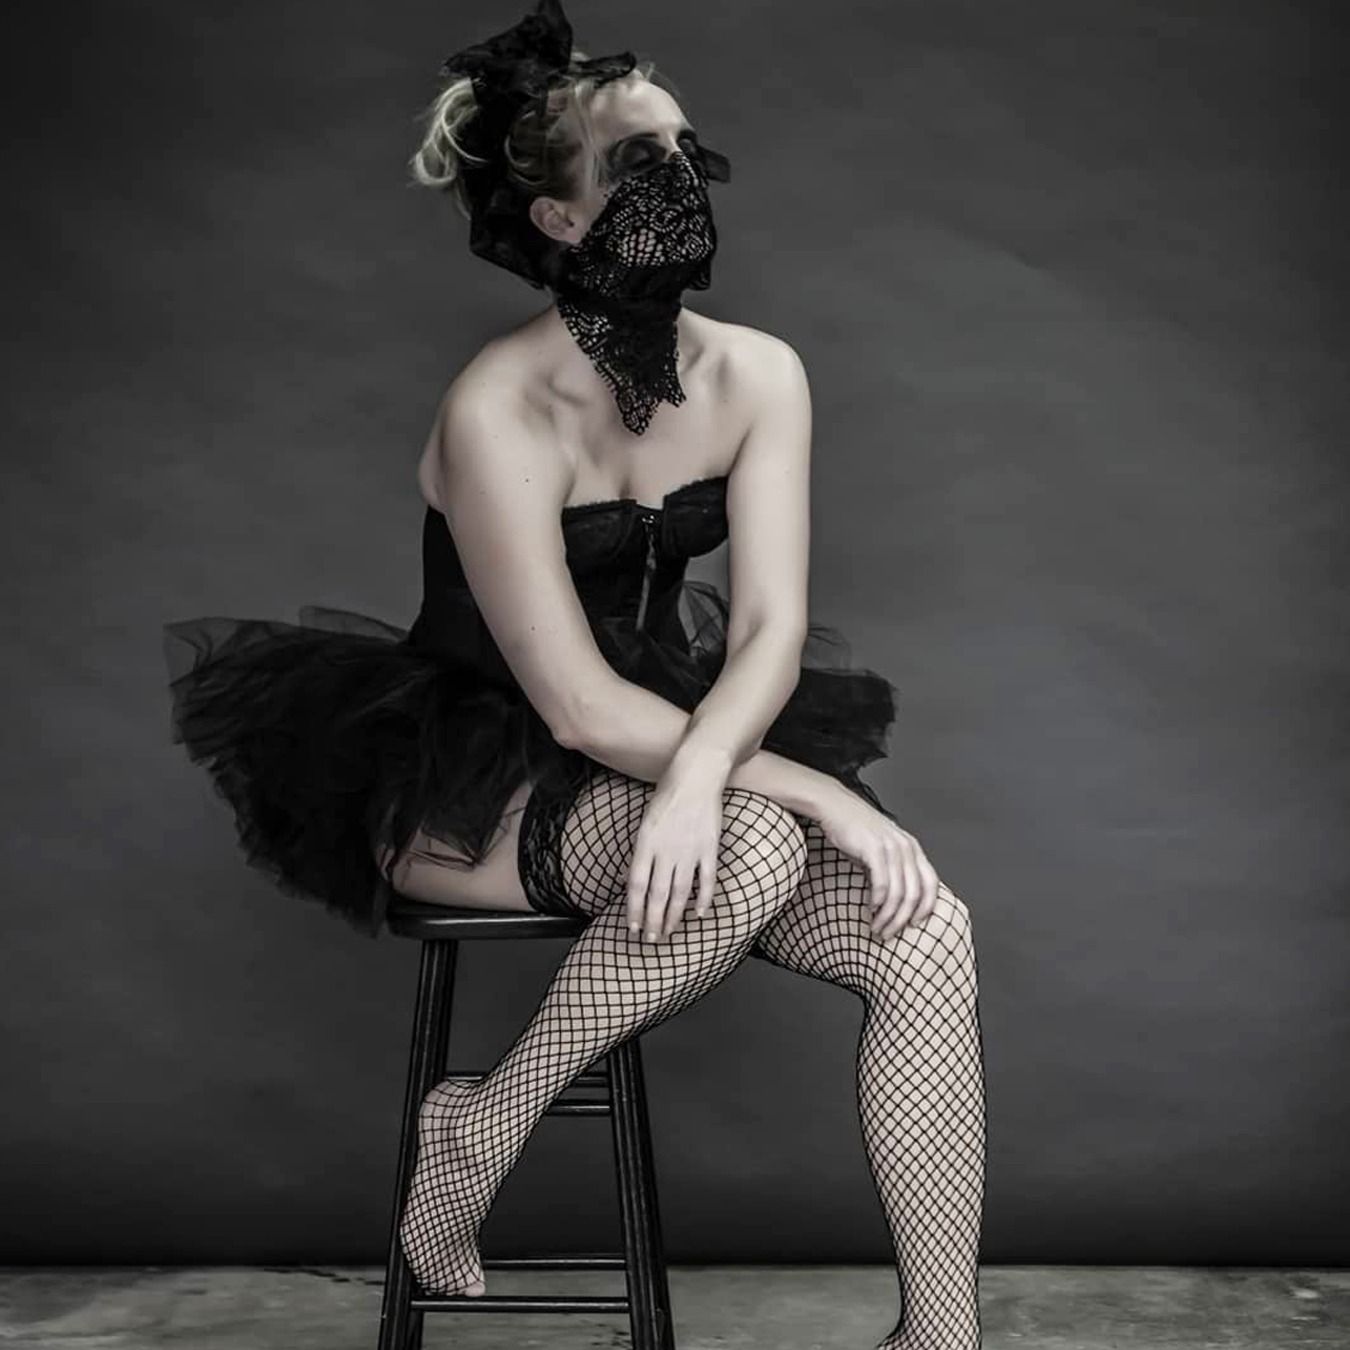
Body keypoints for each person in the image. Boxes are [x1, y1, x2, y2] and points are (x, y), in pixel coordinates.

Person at [161, 3, 987, 1346]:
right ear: (556, 221)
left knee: (930, 937)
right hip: (469, 776)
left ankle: (938, 1335)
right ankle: (480, 1126)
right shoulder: (496, 409)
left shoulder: (759, 374)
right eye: (636, 164)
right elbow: (572, 708)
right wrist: (814, 798)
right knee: (760, 843)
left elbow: (772, 625)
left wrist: (714, 776)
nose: (679, 180)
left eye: (685, 150)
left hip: (676, 765)